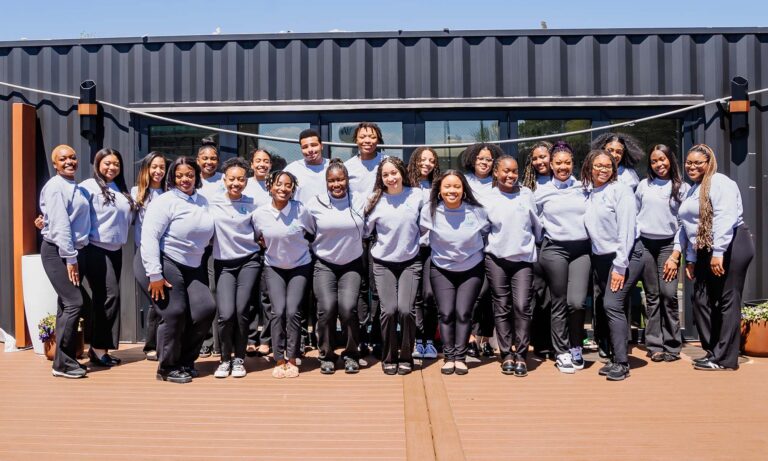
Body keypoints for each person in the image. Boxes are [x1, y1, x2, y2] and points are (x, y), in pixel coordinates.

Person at [679, 144, 754, 371]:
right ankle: (713, 350)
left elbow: (724, 217)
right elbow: (689, 227)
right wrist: (691, 258)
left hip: (731, 244)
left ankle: (725, 359)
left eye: (697, 163)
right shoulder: (693, 189)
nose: (692, 167)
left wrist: (719, 252)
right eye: (689, 163)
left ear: (709, 162)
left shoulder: (720, 183)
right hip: (705, 248)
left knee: (728, 300)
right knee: (700, 299)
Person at [141, 157, 216, 384]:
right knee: (174, 313)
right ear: (172, 177)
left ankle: (185, 361)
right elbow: (149, 236)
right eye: (179, 175)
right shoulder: (165, 201)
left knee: (205, 309)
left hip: (194, 264)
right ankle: (167, 367)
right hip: (167, 261)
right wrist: (155, 274)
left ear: (196, 176)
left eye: (190, 175)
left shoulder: (203, 201)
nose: (185, 179)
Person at [420, 170, 488, 376]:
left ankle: (461, 357)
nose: (452, 191)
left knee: (464, 313)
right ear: (439, 190)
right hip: (441, 268)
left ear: (463, 189)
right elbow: (421, 236)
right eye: (447, 187)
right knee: (446, 313)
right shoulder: (430, 210)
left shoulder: (477, 210)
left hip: (471, 268)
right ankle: (449, 357)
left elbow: (486, 233)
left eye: (457, 187)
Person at [535, 141, 591, 374]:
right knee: (558, 302)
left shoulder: (584, 187)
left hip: (581, 250)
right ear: (551, 165)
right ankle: (561, 352)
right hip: (554, 249)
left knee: (576, 302)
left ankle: (576, 346)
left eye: (567, 163)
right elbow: (535, 221)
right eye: (558, 163)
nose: (563, 167)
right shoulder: (541, 191)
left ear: (572, 164)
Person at [251, 170, 313, 379]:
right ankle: (279, 359)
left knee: (293, 311)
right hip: (274, 267)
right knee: (278, 311)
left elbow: (312, 232)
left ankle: (292, 358)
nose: (283, 189)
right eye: (278, 184)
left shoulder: (302, 210)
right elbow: (257, 237)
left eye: (288, 185)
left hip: (300, 266)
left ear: (293, 189)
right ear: (270, 187)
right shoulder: (259, 214)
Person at [582, 149, 638, 381]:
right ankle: (615, 357)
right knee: (608, 307)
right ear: (589, 167)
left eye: (608, 166)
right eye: (598, 165)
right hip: (601, 258)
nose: (603, 169)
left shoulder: (621, 190)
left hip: (624, 256)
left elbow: (627, 230)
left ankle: (622, 363)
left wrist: (620, 265)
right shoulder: (589, 193)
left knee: (612, 305)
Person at [306, 159, 366, 374]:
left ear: (347, 180)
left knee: (348, 309)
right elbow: (307, 231)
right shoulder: (314, 203)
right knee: (327, 308)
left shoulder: (359, 200)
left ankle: (351, 354)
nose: (336, 184)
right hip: (324, 264)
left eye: (340, 180)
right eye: (331, 181)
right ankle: (327, 355)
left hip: (352, 264)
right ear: (326, 182)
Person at [365, 157, 423, 375]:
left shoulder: (417, 195)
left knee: (406, 311)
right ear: (380, 178)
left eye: (394, 173)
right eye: (385, 175)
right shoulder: (375, 199)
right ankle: (389, 356)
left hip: (410, 262)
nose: (391, 178)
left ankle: (406, 356)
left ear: (402, 173)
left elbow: (427, 224)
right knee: (389, 311)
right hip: (383, 263)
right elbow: (365, 230)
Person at [485, 156, 542, 376]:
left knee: (522, 306)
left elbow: (536, 225)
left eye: (514, 171)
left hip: (523, 260)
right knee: (502, 307)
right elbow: (483, 229)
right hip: (496, 259)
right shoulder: (488, 198)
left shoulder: (526, 194)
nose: (511, 175)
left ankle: (522, 354)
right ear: (496, 172)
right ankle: (506, 353)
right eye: (506, 171)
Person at [79, 148, 136, 367]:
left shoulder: (120, 189)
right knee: (110, 296)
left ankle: (99, 348)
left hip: (115, 250)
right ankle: (98, 348)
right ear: (98, 164)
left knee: (104, 298)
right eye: (107, 163)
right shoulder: (88, 186)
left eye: (116, 164)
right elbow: (71, 209)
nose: (112, 167)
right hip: (96, 248)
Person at [39, 145, 91, 379]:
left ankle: (62, 360)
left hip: (72, 251)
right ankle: (63, 363)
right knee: (74, 302)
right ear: (55, 164)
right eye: (63, 159)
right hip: (58, 252)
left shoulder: (75, 187)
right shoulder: (56, 187)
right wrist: (70, 258)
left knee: (65, 305)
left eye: (72, 157)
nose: (69, 161)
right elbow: (60, 225)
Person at [210, 158, 264, 378]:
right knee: (226, 314)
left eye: (241, 179)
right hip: (223, 263)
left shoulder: (252, 203)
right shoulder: (212, 204)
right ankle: (225, 359)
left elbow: (261, 232)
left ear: (246, 181)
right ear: (224, 180)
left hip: (249, 261)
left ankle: (239, 358)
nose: (236, 183)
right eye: (232, 179)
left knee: (242, 311)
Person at [634, 144, 688, 362]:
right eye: (654, 161)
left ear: (670, 160)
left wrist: (676, 255)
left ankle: (672, 345)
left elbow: (683, 224)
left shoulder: (681, 188)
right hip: (646, 244)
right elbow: (635, 215)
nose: (659, 164)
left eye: (662, 159)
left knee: (669, 294)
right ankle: (655, 345)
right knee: (652, 296)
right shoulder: (643, 185)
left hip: (668, 246)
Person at [345, 122, 386, 358]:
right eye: (363, 137)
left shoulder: (386, 163)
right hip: (356, 233)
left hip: (382, 232)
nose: (367, 140)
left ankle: (378, 337)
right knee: (360, 287)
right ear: (356, 140)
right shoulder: (348, 166)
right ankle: (360, 337)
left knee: (377, 287)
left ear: (378, 139)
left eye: (372, 136)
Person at [460, 142, 504, 357]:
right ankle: (469, 338)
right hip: (469, 243)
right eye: (480, 158)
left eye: (488, 159)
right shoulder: (464, 181)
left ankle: (485, 338)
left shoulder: (499, 182)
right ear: (472, 159)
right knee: (473, 293)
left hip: (494, 242)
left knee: (490, 293)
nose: (484, 162)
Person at [131, 151, 167, 362]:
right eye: (154, 167)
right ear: (146, 169)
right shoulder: (136, 193)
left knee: (162, 301)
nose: (158, 171)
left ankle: (159, 344)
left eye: (162, 167)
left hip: (166, 254)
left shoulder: (169, 193)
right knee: (156, 300)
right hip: (144, 254)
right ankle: (152, 346)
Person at [520, 141, 554, 358]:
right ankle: (540, 342)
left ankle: (556, 341)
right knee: (538, 294)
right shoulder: (528, 187)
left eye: (543, 156)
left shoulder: (566, 182)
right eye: (535, 158)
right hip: (537, 245)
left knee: (556, 295)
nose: (540, 161)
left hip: (559, 245)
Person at [406, 146, 440, 360]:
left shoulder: (438, 186)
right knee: (415, 296)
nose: (427, 164)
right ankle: (417, 340)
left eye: (432, 160)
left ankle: (430, 340)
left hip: (433, 248)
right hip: (411, 248)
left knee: (429, 295)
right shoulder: (406, 186)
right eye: (423, 159)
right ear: (415, 161)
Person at [243, 148, 273, 357]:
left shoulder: (274, 185)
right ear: (252, 164)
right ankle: (250, 338)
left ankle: (267, 339)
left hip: (271, 248)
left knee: (268, 296)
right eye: (258, 161)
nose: (262, 164)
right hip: (249, 247)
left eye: (266, 161)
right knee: (250, 295)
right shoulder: (245, 185)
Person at [284, 129, 329, 204]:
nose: (310, 150)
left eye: (314, 145)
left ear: (321, 146)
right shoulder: (292, 170)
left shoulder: (333, 167)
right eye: (305, 147)